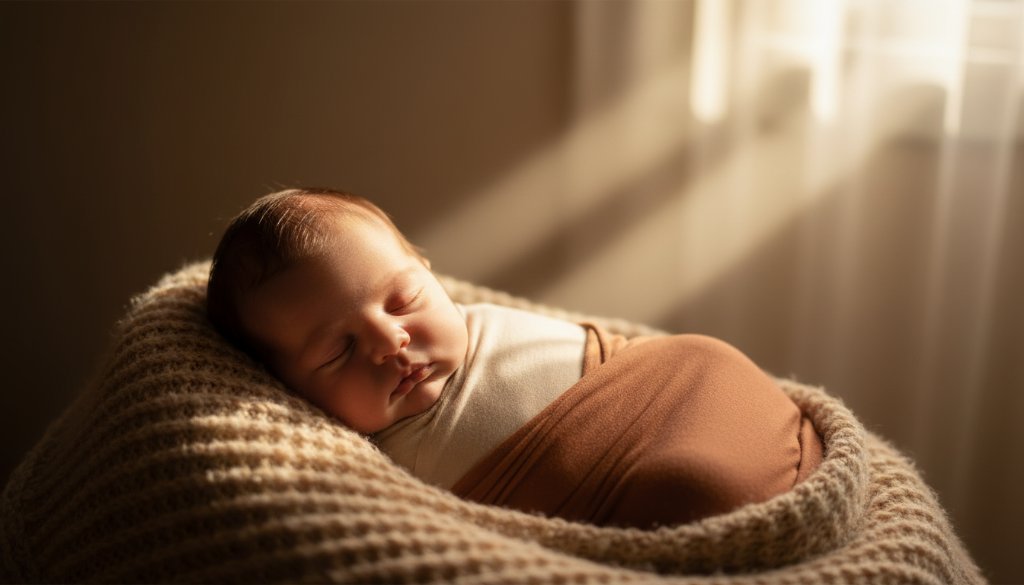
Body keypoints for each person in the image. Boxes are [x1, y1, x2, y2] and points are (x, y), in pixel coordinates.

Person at [207, 187, 823, 529]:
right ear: (287, 389)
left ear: (428, 270)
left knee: (708, 382)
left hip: (681, 382)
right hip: (636, 483)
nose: (389, 342)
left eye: (402, 299)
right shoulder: (376, 469)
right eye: (338, 351)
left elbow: (618, 351)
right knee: (693, 492)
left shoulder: (472, 317)